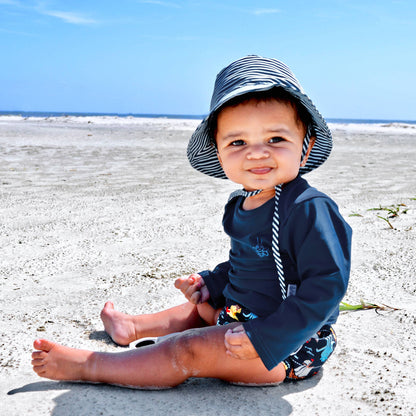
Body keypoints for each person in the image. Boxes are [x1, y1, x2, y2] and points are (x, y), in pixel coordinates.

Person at [31, 55, 352, 388]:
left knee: (188, 349)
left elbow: (326, 286)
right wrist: (211, 283)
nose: (257, 153)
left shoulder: (307, 207)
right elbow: (252, 262)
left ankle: (94, 366)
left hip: (290, 344)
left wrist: (270, 336)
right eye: (238, 142)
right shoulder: (242, 203)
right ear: (218, 151)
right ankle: (133, 327)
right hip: (240, 315)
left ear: (306, 144)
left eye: (275, 139)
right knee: (200, 310)